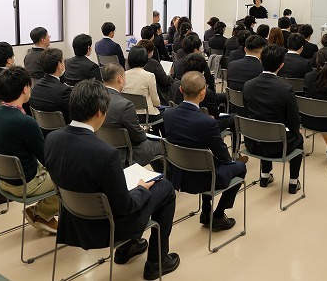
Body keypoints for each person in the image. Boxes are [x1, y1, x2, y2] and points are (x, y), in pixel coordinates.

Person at [44, 80, 180, 280]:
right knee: (165, 188)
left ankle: (128, 248)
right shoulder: (106, 153)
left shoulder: (51, 139)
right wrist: (141, 188)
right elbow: (125, 207)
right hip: (106, 226)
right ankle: (156, 262)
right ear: (99, 112)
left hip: (73, 219)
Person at [164, 71, 247, 231]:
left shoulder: (168, 114)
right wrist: (230, 162)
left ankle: (206, 211)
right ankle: (218, 215)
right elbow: (223, 155)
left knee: (208, 163)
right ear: (203, 93)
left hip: (179, 176)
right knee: (240, 167)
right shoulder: (207, 123)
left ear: (181, 90)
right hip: (204, 178)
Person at [0, 66, 59, 233]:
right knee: (70, 175)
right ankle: (41, 213)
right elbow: (46, 158)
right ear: (25, 88)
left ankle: (42, 211)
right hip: (24, 184)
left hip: (3, 180)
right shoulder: (25, 122)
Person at [243, 45, 304, 194]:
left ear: (260, 60)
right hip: (279, 147)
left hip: (253, 143)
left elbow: (248, 110)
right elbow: (294, 121)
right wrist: (296, 132)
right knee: (299, 139)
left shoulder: (248, 85)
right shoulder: (286, 89)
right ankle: (293, 182)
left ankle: (264, 176)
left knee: (263, 126)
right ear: (281, 65)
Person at [102, 63, 162, 167]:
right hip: (126, 154)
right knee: (162, 145)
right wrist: (141, 130)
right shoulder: (125, 105)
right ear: (120, 79)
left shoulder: (94, 98)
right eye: (124, 77)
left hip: (104, 148)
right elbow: (138, 137)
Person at [123, 47, 163, 131]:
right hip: (146, 116)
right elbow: (156, 101)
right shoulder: (149, 76)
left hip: (129, 114)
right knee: (165, 115)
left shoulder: (124, 75)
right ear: (145, 60)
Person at [29, 48, 72, 124]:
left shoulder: (35, 87)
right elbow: (74, 114)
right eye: (63, 61)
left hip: (41, 128)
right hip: (63, 128)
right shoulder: (64, 91)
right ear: (59, 65)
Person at [136, 39, 173, 105]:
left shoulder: (132, 63)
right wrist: (171, 76)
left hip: (138, 98)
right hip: (157, 96)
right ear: (149, 51)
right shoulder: (154, 64)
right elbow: (165, 81)